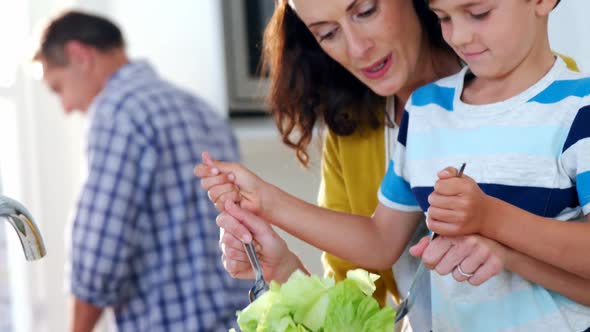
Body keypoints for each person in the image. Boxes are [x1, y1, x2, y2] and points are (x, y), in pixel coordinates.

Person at [198, 0, 590, 330]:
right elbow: (378, 245)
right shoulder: (421, 112)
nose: (461, 36)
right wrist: (265, 205)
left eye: (365, 10)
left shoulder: (573, 106)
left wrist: (492, 223)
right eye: (445, 17)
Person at [33, 10, 251, 332]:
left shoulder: (117, 111)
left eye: (58, 88)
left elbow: (98, 258)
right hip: (242, 320)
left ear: (80, 55)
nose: (65, 107)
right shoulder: (201, 110)